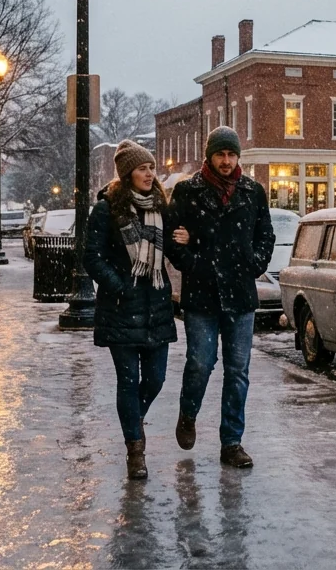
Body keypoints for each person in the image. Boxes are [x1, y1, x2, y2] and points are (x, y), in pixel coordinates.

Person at [167, 126, 274, 468]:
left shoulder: (253, 192)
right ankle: (188, 413)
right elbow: (171, 239)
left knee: (238, 370)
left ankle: (232, 442)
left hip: (241, 295)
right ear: (209, 156)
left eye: (231, 155)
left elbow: (265, 235)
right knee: (200, 363)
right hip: (202, 294)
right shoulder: (188, 191)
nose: (226, 161)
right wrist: (195, 263)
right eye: (220, 155)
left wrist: (254, 264)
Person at [82, 140, 177, 480]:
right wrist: (120, 286)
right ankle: (135, 450)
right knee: (128, 381)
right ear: (127, 174)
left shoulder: (161, 206)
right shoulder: (107, 210)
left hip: (156, 306)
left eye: (151, 167)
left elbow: (175, 247)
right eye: (142, 168)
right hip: (121, 309)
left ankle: (133, 420)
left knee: (156, 379)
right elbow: (91, 256)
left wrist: (185, 240)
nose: (149, 173)